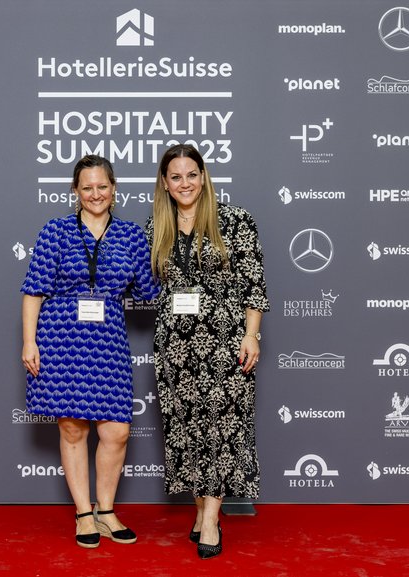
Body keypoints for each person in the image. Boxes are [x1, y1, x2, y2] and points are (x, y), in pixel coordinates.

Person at [21, 155, 159, 548]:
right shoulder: (56, 231)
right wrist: (29, 341)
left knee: (116, 430)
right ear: (75, 191)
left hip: (108, 339)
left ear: (114, 189)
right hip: (61, 337)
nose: (95, 194)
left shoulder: (131, 236)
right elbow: (34, 290)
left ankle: (107, 511)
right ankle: (84, 513)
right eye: (87, 187)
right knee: (72, 427)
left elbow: (149, 291)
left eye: (102, 186)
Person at [146, 143, 269, 559]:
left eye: (192, 175)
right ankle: (200, 510)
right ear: (165, 183)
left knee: (220, 428)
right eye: (176, 177)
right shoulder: (156, 227)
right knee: (186, 429)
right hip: (175, 347)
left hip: (224, 342)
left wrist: (252, 334)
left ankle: (212, 519)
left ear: (203, 176)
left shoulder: (234, 220)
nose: (185, 183)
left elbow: (254, 283)